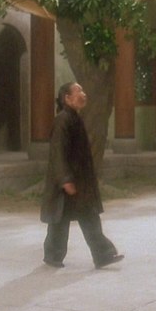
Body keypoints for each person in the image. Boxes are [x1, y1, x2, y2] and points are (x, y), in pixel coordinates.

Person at [40, 82, 124, 269]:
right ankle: (53, 255)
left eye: (83, 91)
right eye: (78, 91)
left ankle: (103, 255)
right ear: (67, 98)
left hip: (79, 182)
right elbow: (57, 153)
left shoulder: (75, 118)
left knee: (89, 216)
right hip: (67, 182)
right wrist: (65, 180)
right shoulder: (62, 120)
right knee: (60, 220)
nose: (83, 94)